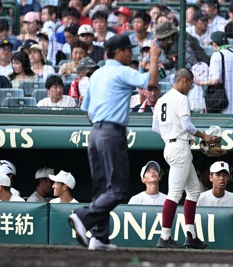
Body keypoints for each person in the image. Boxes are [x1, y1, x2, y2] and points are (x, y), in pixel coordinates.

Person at [68, 34, 161, 251]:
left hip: (95, 132)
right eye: (128, 49)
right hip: (112, 133)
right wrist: (154, 57)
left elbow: (87, 111)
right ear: (118, 52)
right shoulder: (121, 70)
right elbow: (152, 83)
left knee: (102, 190)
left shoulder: (97, 74)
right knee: (118, 189)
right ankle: (83, 216)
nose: (131, 53)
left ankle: (99, 238)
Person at [152, 67, 218, 249]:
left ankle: (191, 236)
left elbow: (155, 127)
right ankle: (164, 237)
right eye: (190, 84)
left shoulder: (162, 100)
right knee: (174, 194)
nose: (190, 88)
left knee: (194, 191)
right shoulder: (181, 98)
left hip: (171, 145)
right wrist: (204, 136)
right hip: (180, 147)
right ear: (184, 81)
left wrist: (169, 134)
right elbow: (187, 125)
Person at [195, 31, 233, 114]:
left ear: (214, 44)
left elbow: (215, 80)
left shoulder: (216, 55)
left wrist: (200, 82)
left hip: (225, 108)